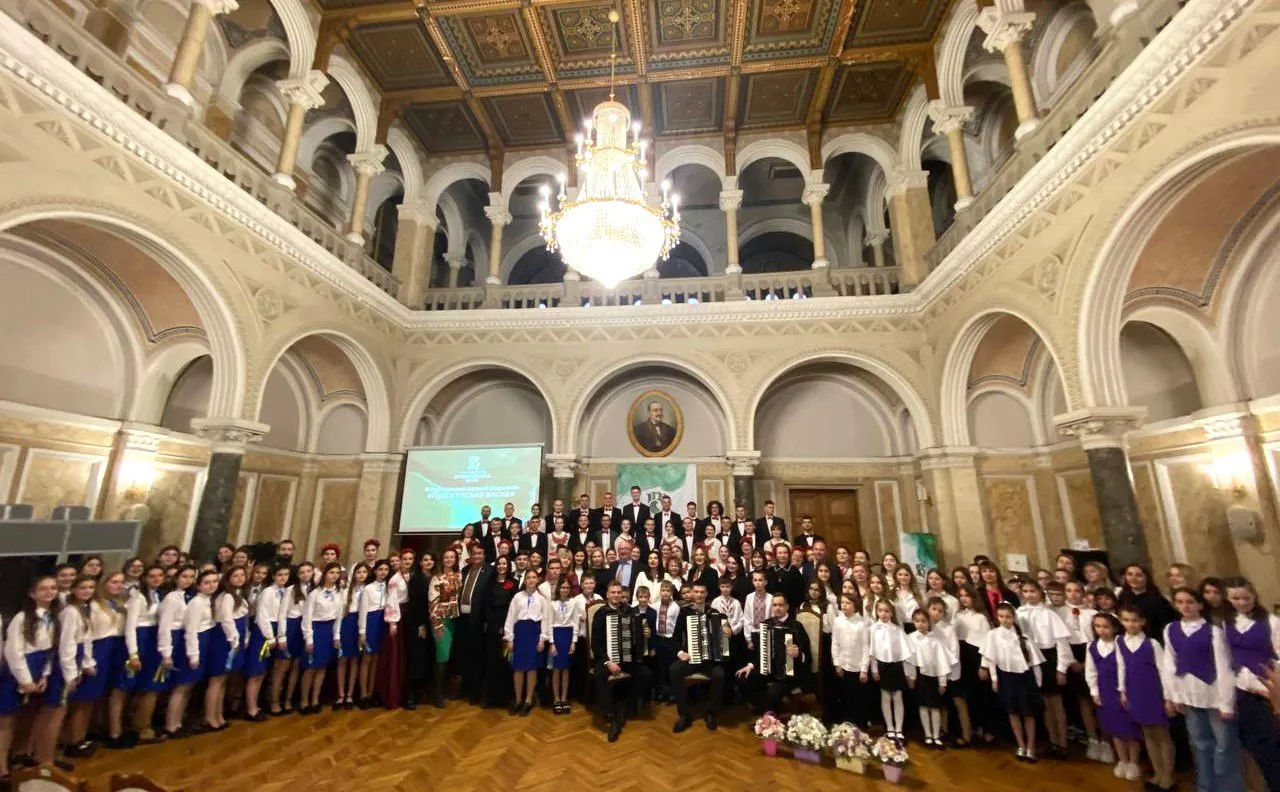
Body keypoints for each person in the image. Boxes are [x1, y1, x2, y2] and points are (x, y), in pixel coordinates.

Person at [1164, 586, 1242, 792]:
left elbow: (1223, 667)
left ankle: (1229, 788)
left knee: (1224, 746)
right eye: (1180, 602)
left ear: (1199, 604)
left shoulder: (1213, 631)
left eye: (1190, 602)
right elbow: (1169, 665)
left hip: (1213, 695)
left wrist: (1226, 702)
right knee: (1199, 744)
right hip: (1188, 696)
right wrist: (1173, 696)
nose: (1185, 606)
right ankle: (1206, 786)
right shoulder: (1171, 629)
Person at [1222, 576, 1280, 791]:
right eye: (1235, 598)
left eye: (1246, 598)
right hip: (1242, 691)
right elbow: (1225, 659)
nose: (1241, 602)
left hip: (1267, 691)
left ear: (1254, 595)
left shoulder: (1271, 621)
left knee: (1273, 745)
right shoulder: (1227, 623)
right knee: (1254, 746)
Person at [1117, 604, 1176, 792]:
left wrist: (1168, 698)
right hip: (1135, 692)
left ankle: (1168, 776)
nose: (1130, 624)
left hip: (1153, 693)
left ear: (1142, 622)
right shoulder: (1120, 641)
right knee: (1148, 734)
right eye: (1126, 620)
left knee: (1162, 735)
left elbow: (1164, 671)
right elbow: (1121, 666)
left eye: (1135, 620)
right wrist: (1122, 690)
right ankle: (1157, 773)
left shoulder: (1152, 644)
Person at [981, 602, 1045, 762]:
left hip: (1024, 678)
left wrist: (1038, 683)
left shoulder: (1023, 637)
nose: (1004, 620)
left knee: (1028, 713)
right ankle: (1020, 744)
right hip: (1006, 677)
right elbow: (991, 659)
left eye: (1008, 617)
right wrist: (994, 679)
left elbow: (1035, 663)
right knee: (1012, 712)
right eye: (1001, 616)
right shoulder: (993, 635)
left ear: (1014, 617)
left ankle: (1030, 746)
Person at [591, 581, 653, 742]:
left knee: (646, 674)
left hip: (628, 658)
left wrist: (645, 634)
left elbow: (638, 637)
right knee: (600, 676)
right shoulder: (601, 613)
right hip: (607, 659)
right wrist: (608, 662)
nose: (616, 595)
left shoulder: (631, 612)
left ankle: (625, 706)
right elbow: (595, 644)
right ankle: (611, 715)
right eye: (613, 592)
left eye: (619, 592)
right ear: (607, 595)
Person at [1016, 579, 1072, 757]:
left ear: (1040, 593)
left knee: (1055, 701)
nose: (1029, 595)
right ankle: (1052, 741)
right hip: (1031, 658)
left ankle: (1062, 742)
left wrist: (1061, 668)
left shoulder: (1049, 614)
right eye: (1026, 591)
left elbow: (1061, 642)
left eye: (1033, 591)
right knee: (1043, 703)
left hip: (1048, 657)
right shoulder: (1019, 613)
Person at [1087, 611, 1142, 779]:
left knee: (1130, 729)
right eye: (1098, 626)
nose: (1102, 630)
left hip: (1123, 691)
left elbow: (1125, 668)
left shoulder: (1121, 643)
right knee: (1115, 728)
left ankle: (1133, 762)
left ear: (1115, 627)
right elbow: (1091, 671)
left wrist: (1124, 690)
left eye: (1106, 626)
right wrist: (1094, 692)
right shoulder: (1092, 647)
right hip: (1105, 691)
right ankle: (1122, 759)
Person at [736, 593, 810, 714]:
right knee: (743, 678)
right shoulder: (767, 624)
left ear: (787, 607)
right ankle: (765, 709)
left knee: (773, 692)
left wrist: (799, 653)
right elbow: (760, 651)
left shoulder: (795, 626)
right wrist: (751, 665)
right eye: (774, 605)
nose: (777, 608)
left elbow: (806, 652)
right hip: (768, 668)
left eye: (780, 605)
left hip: (788, 673)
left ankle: (770, 713)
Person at [670, 582, 726, 733]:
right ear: (692, 593)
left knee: (720, 675)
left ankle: (710, 713)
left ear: (706, 594)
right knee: (674, 671)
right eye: (696, 592)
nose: (699, 595)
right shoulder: (685, 612)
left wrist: (726, 634)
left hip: (709, 660)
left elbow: (722, 640)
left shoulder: (714, 613)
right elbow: (675, 637)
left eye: (702, 592)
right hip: (691, 658)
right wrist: (680, 653)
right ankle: (684, 715)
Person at [123, 565, 167, 741]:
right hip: (142, 639)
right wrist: (133, 653)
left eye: (160, 575)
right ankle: (139, 726)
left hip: (154, 638)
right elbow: (130, 627)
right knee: (141, 686)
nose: (156, 579)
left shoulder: (159, 595)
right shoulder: (138, 597)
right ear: (145, 578)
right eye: (152, 576)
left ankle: (143, 724)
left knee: (151, 686)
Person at [204, 565, 248, 729]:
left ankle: (219, 715)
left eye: (242, 575)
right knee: (217, 680)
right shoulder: (227, 596)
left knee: (223, 680)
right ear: (228, 579)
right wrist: (234, 641)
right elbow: (226, 620)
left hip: (234, 639)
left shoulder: (238, 594)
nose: (240, 578)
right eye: (235, 575)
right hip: (225, 640)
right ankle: (210, 717)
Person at [863, 599, 912, 741]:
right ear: (876, 612)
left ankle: (899, 729)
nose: (883, 614)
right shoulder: (873, 629)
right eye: (880, 611)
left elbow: (905, 653)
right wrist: (874, 670)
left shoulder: (898, 630)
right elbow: (872, 652)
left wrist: (908, 673)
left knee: (898, 697)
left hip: (896, 667)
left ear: (892, 613)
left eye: (886, 611)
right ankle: (889, 728)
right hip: (882, 667)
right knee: (885, 697)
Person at [299, 562, 343, 715]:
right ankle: (304, 700)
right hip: (316, 630)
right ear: (325, 574)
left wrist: (336, 635)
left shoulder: (339, 593)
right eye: (331, 572)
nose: (334, 576)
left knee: (322, 667)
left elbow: (338, 617)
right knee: (310, 668)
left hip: (329, 631)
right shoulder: (315, 593)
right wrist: (309, 639)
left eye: (337, 573)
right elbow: (307, 617)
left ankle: (315, 699)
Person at [909, 608, 956, 749]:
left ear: (928, 622)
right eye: (917, 621)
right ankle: (928, 735)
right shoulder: (910, 638)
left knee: (935, 707)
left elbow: (942, 662)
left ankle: (936, 736)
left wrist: (942, 682)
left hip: (933, 678)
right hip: (920, 677)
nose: (920, 624)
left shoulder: (935, 641)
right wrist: (911, 677)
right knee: (923, 706)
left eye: (923, 621)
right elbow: (909, 661)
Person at [271, 562, 313, 714]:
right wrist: (282, 636)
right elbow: (282, 614)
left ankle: (288, 700)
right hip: (291, 626)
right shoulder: (291, 589)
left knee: (296, 666)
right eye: (302, 572)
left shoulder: (314, 589)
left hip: (304, 628)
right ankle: (275, 701)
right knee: (282, 667)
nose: (305, 574)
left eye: (308, 571)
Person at [503, 569, 546, 716]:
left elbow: (545, 620)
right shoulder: (517, 597)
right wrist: (509, 638)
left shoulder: (542, 599)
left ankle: (528, 700)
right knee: (518, 668)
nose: (531, 580)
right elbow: (510, 617)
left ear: (538, 580)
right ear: (525, 580)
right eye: (528, 577)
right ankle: (518, 699)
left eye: (534, 577)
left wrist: (542, 639)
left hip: (534, 633)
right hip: (520, 633)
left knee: (532, 668)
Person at [456, 544, 493, 705]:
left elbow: (490, 599)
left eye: (479, 553)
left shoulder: (490, 572)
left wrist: (487, 621)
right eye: (474, 553)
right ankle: (464, 688)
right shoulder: (465, 570)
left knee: (477, 656)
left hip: (478, 620)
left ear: (484, 555)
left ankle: (475, 692)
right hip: (462, 618)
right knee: (463, 654)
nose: (476, 556)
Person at [357, 559, 395, 709]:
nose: (383, 572)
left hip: (383, 622)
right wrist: (362, 631)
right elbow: (363, 611)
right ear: (375, 571)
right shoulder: (368, 588)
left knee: (376, 659)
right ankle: (363, 694)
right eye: (380, 569)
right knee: (367, 658)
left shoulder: (389, 586)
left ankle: (371, 692)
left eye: (386, 569)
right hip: (371, 622)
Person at [831, 591, 870, 727]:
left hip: (858, 667)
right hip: (843, 665)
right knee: (845, 696)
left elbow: (865, 647)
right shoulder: (838, 621)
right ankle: (847, 724)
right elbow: (835, 643)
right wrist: (837, 663)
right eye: (842, 602)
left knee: (859, 699)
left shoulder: (861, 623)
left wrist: (864, 669)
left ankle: (860, 725)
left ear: (855, 605)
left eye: (848, 603)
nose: (844, 605)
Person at [483, 557, 516, 709]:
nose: (501, 566)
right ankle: (491, 697)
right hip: (492, 625)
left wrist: (505, 625)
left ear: (508, 566)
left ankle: (505, 697)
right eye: (499, 564)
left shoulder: (513, 583)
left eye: (504, 563)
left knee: (505, 661)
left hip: (507, 624)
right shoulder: (489, 583)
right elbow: (486, 605)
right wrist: (493, 623)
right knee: (492, 660)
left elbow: (513, 607)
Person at [335, 563, 369, 710]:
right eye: (358, 572)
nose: (361, 575)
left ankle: (349, 694)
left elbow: (365, 612)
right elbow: (339, 612)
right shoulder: (345, 590)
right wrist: (337, 633)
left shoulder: (367, 589)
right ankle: (340, 694)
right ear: (353, 574)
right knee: (342, 660)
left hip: (359, 624)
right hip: (346, 623)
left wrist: (362, 631)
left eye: (364, 572)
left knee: (355, 660)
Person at [1118, 565, 1177, 643]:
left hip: (1152, 640)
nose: (1133, 578)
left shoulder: (1157, 599)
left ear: (1147, 578)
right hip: (1129, 639)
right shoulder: (1123, 596)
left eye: (1139, 575)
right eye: (1130, 574)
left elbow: (1166, 624)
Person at [546, 578, 578, 714]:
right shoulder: (553, 604)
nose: (565, 590)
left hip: (568, 635)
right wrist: (552, 643)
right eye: (562, 587)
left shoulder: (573, 602)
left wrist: (574, 641)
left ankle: (564, 698)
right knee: (556, 669)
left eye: (567, 588)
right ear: (558, 588)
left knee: (566, 669)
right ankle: (556, 699)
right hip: (557, 635)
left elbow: (575, 622)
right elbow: (549, 623)